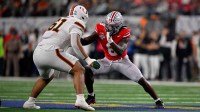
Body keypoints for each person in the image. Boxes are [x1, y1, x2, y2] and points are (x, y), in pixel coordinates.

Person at [81, 11, 164, 109]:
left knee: (141, 80)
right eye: (107, 25)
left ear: (118, 26)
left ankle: (158, 101)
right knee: (88, 69)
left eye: (111, 26)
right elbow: (87, 41)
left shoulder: (125, 31)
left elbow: (120, 51)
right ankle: (91, 96)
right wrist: (76, 38)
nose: (108, 27)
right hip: (107, 61)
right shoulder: (100, 27)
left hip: (122, 62)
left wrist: (110, 42)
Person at [23, 5, 100, 111]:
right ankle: (80, 100)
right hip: (51, 51)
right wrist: (88, 59)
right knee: (79, 69)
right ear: (83, 16)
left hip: (38, 52)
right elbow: (75, 44)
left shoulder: (63, 19)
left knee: (46, 77)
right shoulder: (78, 22)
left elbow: (76, 41)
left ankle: (30, 102)